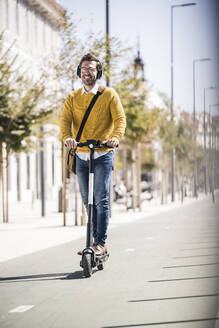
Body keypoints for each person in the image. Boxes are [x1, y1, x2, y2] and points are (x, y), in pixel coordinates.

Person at [60, 53, 126, 256]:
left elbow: (120, 119)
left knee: (101, 199)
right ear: (79, 72)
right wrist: (67, 138)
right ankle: (93, 241)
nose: (87, 72)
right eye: (83, 69)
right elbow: (64, 123)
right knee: (87, 199)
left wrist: (115, 137)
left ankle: (100, 243)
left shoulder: (109, 95)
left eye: (91, 69)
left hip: (103, 154)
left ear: (98, 72)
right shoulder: (72, 97)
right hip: (81, 155)